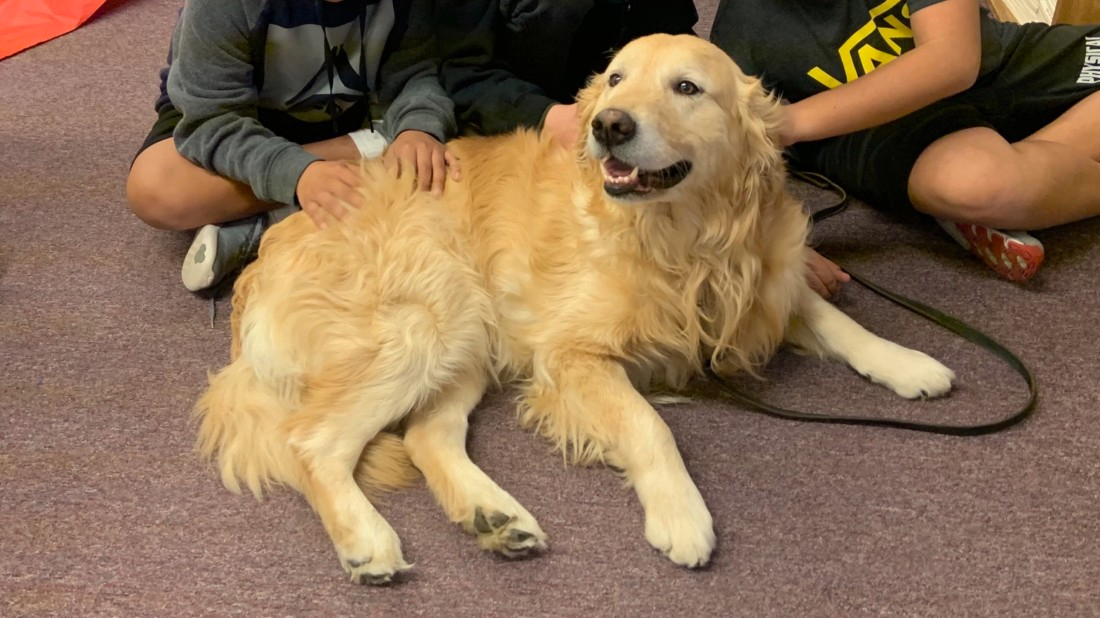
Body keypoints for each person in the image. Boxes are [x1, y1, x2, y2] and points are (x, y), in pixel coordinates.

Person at [709, 0, 1100, 294]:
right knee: (978, 182)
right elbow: (717, 157)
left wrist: (792, 121)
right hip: (872, 130)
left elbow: (953, 59)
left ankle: (1003, 191)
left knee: (992, 177)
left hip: (992, 61)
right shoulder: (739, 30)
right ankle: (995, 193)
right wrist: (763, 242)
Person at [126, 0, 457, 293]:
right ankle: (351, 169)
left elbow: (414, 74)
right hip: (231, 118)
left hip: (346, 115)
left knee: (438, 160)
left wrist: (418, 128)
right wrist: (298, 173)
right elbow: (211, 121)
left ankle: (263, 223)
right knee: (152, 187)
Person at [435, 0, 699, 145]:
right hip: (512, 133)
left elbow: (673, 37)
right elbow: (462, 70)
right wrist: (546, 117)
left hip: (627, 128)